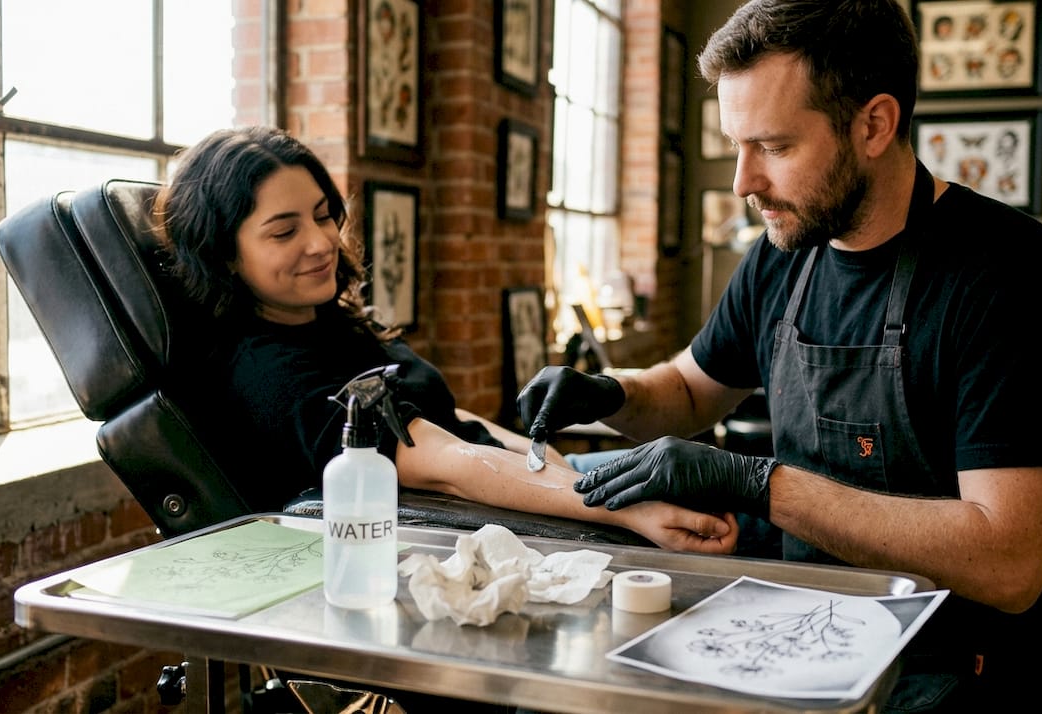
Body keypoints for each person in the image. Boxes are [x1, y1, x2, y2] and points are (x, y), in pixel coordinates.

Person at [517, 1, 1042, 711]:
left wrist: (760, 483)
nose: (742, 182)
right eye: (737, 145)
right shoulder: (782, 258)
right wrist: (611, 394)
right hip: (808, 633)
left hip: (968, 673)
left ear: (874, 125)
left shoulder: (1011, 277)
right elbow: (693, 389)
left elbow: (1010, 562)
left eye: (775, 147)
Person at [152, 125, 738, 556]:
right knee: (709, 502)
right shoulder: (268, 373)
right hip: (454, 528)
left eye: (325, 215)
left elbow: (447, 416)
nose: (322, 241)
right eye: (285, 230)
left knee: (712, 480)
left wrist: (553, 460)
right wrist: (620, 504)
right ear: (224, 254)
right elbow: (447, 465)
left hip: (508, 481)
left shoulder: (331, 323)